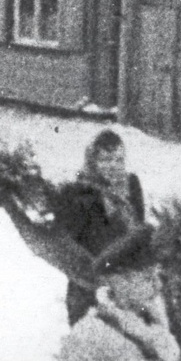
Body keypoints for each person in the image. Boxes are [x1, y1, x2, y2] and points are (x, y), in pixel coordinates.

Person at [54, 130, 147, 326]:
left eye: (118, 159)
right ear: (92, 161)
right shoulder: (78, 190)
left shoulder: (131, 184)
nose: (113, 166)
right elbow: (72, 237)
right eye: (105, 160)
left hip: (125, 270)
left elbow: (139, 225)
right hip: (89, 269)